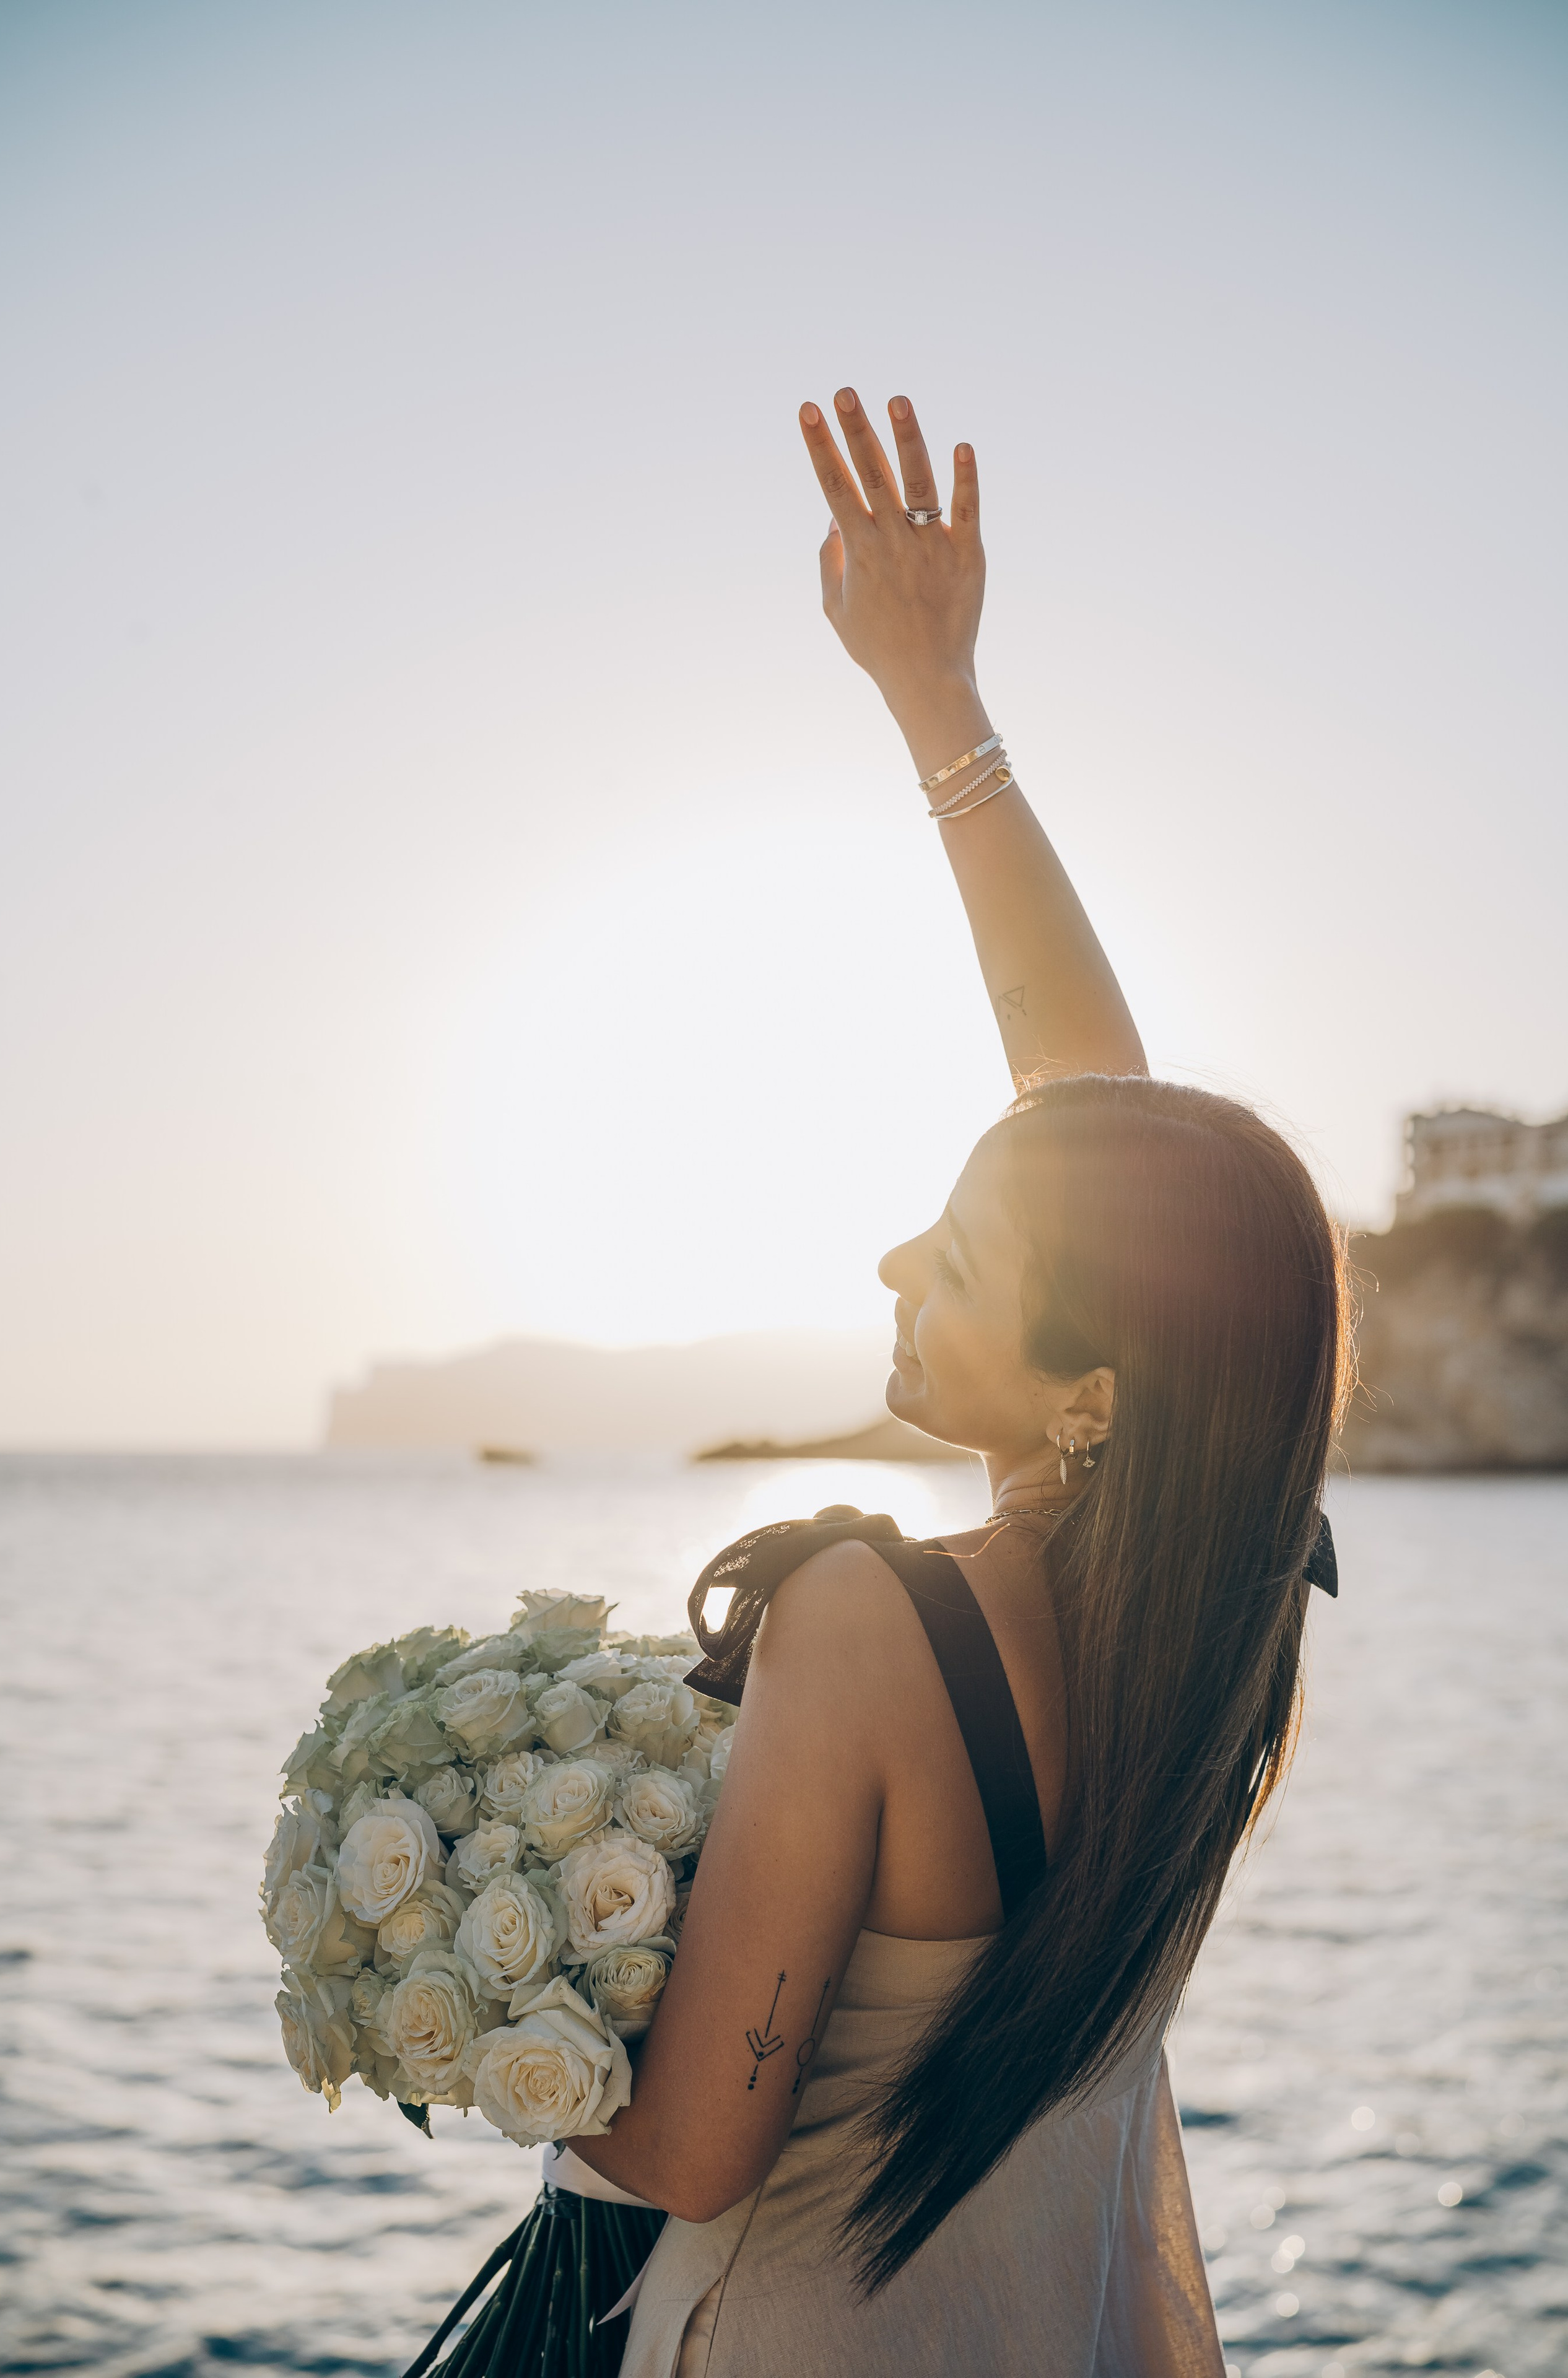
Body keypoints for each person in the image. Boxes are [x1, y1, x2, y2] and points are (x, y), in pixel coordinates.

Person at [567, 389, 1348, 2376]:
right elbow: (1115, 1144)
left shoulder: (873, 1627)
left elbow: (692, 2148)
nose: (898, 1262)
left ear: (1092, 1384)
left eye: (963, 1253)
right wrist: (939, 702)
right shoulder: (1229, 1639)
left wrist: (481, 2000)